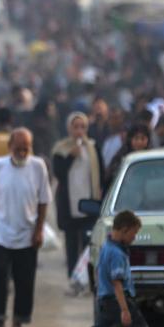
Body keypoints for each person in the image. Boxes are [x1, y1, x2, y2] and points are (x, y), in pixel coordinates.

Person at [53, 210, 160, 327]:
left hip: (105, 299)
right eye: (134, 233)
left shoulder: (107, 246)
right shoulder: (116, 253)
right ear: (124, 230)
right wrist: (125, 309)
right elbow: (116, 282)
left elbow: (98, 272)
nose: (134, 238)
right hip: (117, 299)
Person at [0, 128, 50, 327]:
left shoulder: (38, 166)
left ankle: (19, 322)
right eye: (18, 148)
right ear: (10, 147)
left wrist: (39, 230)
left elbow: (43, 201)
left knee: (25, 280)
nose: (22, 152)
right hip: (2, 231)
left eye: (26, 149)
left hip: (27, 233)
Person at [52, 112, 104, 279]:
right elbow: (58, 173)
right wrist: (70, 157)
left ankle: (87, 277)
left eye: (82, 127)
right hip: (69, 202)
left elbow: (100, 173)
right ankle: (73, 276)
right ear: (69, 129)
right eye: (75, 127)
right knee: (72, 243)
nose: (79, 131)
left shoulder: (93, 148)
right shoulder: (61, 149)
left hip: (89, 202)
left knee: (88, 241)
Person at [105, 122, 152, 188]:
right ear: (130, 140)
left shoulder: (151, 158)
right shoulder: (121, 158)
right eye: (136, 138)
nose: (139, 142)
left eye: (142, 138)